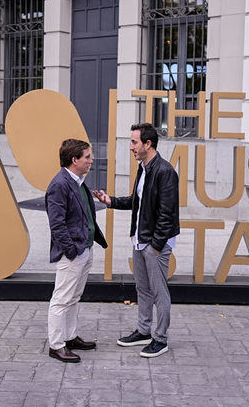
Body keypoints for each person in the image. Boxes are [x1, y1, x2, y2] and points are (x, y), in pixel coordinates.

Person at [94, 123, 179, 358]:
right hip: (140, 240)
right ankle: (143, 331)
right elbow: (137, 201)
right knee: (142, 289)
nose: (130, 147)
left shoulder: (165, 171)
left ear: (147, 144)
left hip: (154, 245)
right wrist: (110, 201)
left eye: (134, 142)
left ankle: (160, 339)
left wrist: (156, 245)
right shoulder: (144, 168)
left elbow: (167, 213)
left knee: (159, 291)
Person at [45, 139, 107, 363]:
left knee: (74, 297)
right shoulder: (59, 185)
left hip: (85, 249)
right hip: (73, 253)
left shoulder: (79, 182)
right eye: (87, 157)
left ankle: (69, 337)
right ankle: (56, 345)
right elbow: (57, 225)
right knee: (61, 299)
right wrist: (71, 251)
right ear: (74, 160)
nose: (91, 161)